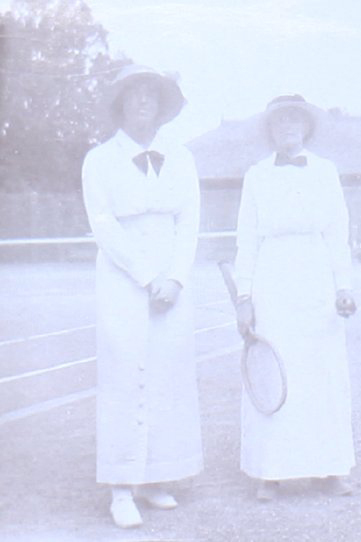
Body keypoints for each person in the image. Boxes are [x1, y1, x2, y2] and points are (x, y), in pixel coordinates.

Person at [81, 64, 203, 528]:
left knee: (168, 371)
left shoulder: (183, 157)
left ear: (162, 106)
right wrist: (147, 275)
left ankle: (158, 477)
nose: (144, 103)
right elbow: (104, 223)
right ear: (121, 104)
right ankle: (121, 487)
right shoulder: (98, 159)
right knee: (125, 370)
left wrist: (174, 277)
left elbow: (190, 219)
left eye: (152, 95)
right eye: (135, 95)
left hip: (171, 278)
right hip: (123, 276)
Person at [234, 95, 357, 500]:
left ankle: (330, 469)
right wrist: (245, 296)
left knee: (322, 371)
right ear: (269, 129)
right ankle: (271, 472)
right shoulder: (256, 176)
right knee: (275, 370)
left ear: (306, 127)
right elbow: (246, 240)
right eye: (279, 120)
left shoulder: (325, 172)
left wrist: (344, 286)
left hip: (316, 279)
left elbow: (338, 232)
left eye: (295, 119)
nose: (287, 126)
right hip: (273, 280)